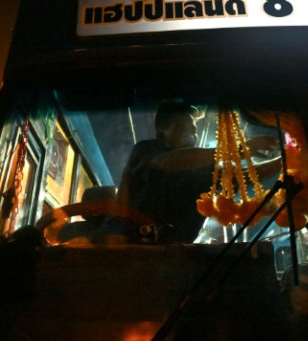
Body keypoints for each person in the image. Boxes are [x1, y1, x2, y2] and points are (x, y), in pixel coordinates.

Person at [115, 101, 282, 242]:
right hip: (130, 247)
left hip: (176, 257)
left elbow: (245, 175)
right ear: (161, 131)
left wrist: (285, 160)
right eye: (181, 127)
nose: (191, 134)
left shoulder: (204, 168)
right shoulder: (145, 150)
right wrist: (236, 150)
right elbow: (166, 161)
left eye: (193, 129)